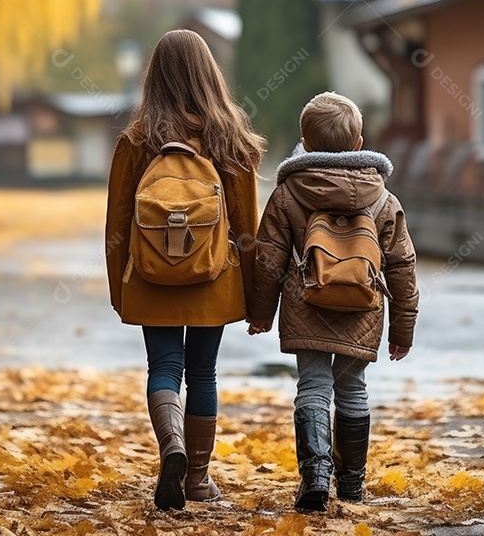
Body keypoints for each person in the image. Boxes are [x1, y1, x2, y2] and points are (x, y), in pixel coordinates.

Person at [105, 29, 264, 511]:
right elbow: (248, 232)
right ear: (209, 75)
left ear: (154, 78)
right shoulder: (228, 138)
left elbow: (116, 227)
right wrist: (258, 298)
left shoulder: (137, 141)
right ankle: (197, 477)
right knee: (203, 371)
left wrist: (121, 288)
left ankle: (170, 444)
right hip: (214, 279)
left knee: (165, 367)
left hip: (152, 278)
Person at [246, 92, 419, 511]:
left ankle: (316, 477)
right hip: (363, 309)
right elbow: (402, 267)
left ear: (304, 143)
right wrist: (402, 329)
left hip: (308, 306)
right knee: (354, 389)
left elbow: (269, 258)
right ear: (359, 144)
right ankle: (353, 484)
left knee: (312, 388)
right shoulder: (383, 199)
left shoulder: (289, 193)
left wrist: (261, 313)